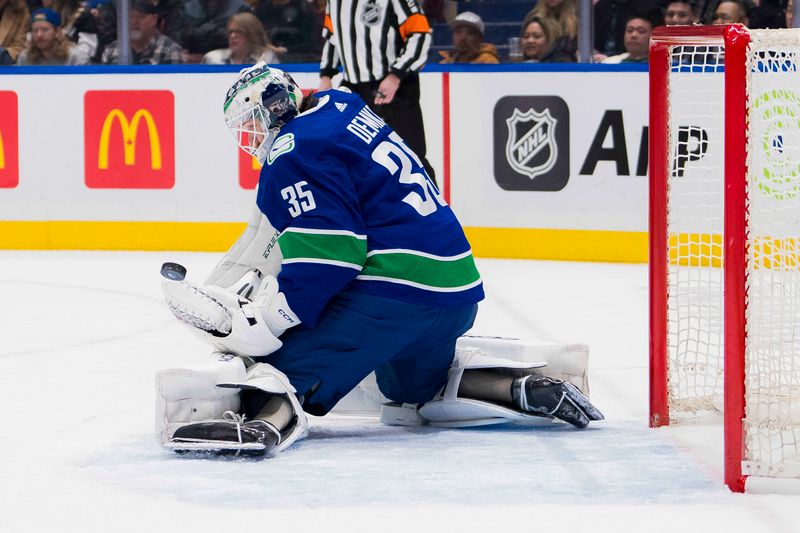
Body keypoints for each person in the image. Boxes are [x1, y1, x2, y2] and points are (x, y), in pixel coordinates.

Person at [156, 64, 603, 455]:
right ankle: (515, 387)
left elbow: (331, 258)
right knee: (409, 394)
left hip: (395, 298)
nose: (250, 137)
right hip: (455, 295)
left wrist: (271, 318)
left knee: (272, 371)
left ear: (271, 110)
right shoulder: (341, 105)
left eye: (250, 122)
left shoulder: (290, 150)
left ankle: (263, 426)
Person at [318, 0, 436, 183]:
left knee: (411, 157)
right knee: (353, 158)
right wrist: (326, 75)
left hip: (395, 88)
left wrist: (396, 75)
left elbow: (419, 33)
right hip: (354, 89)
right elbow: (333, 37)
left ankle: (433, 210)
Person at [102, 0, 183, 64]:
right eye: (129, 17)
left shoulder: (170, 51)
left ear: (154, 19)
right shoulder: (110, 51)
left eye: (140, 17)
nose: (134, 21)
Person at [16, 7, 91, 65]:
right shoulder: (25, 58)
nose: (39, 35)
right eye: (35, 30)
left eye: (45, 30)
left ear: (57, 32)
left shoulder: (75, 57)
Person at [251, 0, 318, 62]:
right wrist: (266, 46)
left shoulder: (304, 8)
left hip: (297, 57)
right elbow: (254, 36)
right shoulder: (261, 9)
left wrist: (285, 49)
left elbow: (310, 42)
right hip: (264, 53)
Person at [202, 11, 279, 64]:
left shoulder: (265, 59)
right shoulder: (212, 59)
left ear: (252, 34)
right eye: (231, 32)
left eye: (239, 32)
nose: (233, 36)